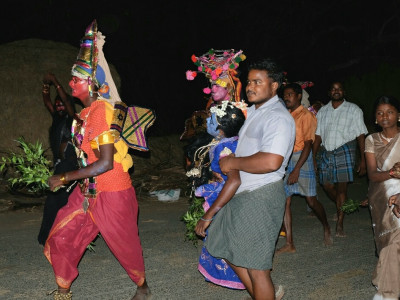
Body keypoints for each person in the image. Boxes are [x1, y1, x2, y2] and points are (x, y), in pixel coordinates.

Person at [44, 20, 151, 300]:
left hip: (113, 191)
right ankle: (63, 289)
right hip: (89, 190)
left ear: (90, 83)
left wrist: (64, 177)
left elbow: (105, 163)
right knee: (64, 233)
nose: (70, 84)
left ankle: (143, 288)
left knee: (125, 246)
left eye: (75, 79)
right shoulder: (84, 115)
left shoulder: (102, 113)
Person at [195, 58, 295, 300]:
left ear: (274, 86)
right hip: (243, 194)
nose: (251, 87)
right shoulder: (253, 112)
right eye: (249, 82)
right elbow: (227, 109)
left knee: (257, 268)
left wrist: (232, 163)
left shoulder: (278, 118)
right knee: (222, 244)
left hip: (261, 195)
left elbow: (272, 161)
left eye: (258, 82)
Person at [187, 101, 246, 289]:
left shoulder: (224, 148)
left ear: (220, 129)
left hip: (225, 196)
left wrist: (208, 215)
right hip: (223, 191)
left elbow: (233, 179)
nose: (208, 122)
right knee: (222, 240)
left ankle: (255, 285)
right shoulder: (229, 141)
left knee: (222, 240)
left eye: (211, 119)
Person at [277, 83, 332, 254]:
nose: (287, 97)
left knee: (311, 201)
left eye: (290, 94)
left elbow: (308, 145)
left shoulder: (306, 115)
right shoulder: (285, 115)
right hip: (287, 159)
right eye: (285, 95)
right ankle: (290, 243)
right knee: (284, 201)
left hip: (302, 158)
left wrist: (296, 169)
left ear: (299, 96)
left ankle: (326, 226)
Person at [312, 81, 368, 237]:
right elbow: (318, 136)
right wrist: (313, 157)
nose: (336, 91)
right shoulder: (323, 111)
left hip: (345, 150)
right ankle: (342, 205)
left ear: (344, 91)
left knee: (342, 189)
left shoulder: (354, 109)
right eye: (333, 89)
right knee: (326, 185)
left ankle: (340, 224)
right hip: (326, 151)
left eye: (339, 89)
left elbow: (361, 135)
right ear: (329, 92)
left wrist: (363, 159)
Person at [364, 96, 400, 300]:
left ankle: (384, 285)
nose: (385, 116)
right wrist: (394, 174)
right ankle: (387, 292)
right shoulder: (372, 140)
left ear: (399, 115)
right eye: (380, 113)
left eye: (390, 112)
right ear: (375, 119)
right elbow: (372, 174)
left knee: (396, 239)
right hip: (381, 193)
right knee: (393, 237)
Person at [37, 72, 79, 246]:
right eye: (57, 105)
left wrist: (55, 81)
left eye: (62, 104)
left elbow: (67, 102)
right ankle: (48, 237)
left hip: (70, 165)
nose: (60, 107)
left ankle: (62, 238)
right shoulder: (56, 118)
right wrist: (46, 86)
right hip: (59, 166)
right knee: (53, 202)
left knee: (60, 201)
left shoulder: (72, 118)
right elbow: (47, 101)